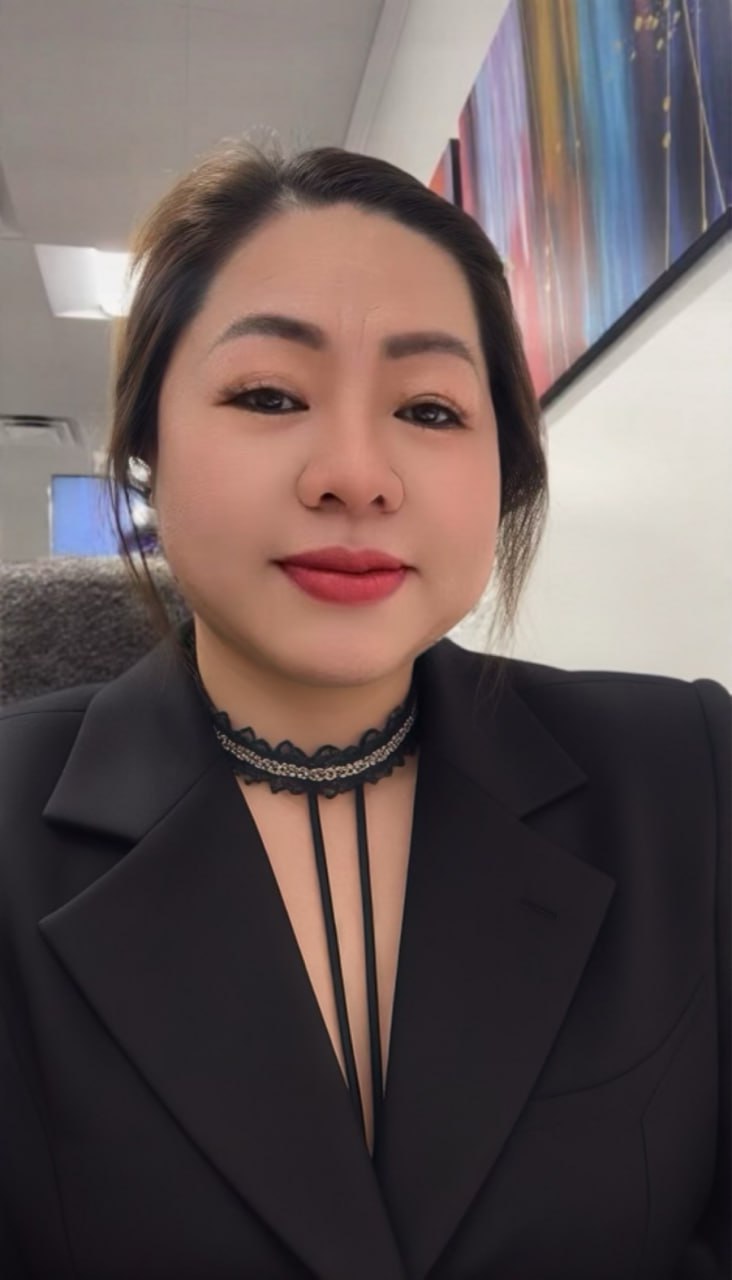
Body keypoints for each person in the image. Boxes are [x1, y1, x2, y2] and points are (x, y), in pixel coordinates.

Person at [0, 137, 728, 1280]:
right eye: (269, 394)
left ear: (506, 466)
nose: (356, 472)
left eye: (430, 409)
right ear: (146, 443)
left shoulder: (688, 776)